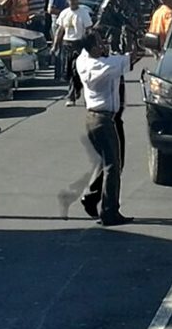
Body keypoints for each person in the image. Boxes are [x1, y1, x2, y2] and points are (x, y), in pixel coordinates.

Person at [58, 29, 135, 226]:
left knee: (106, 161)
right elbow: (129, 59)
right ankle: (109, 212)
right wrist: (135, 42)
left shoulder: (83, 60)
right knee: (113, 166)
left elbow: (98, 53)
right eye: (100, 44)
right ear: (92, 48)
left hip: (93, 118)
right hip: (104, 119)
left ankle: (92, 196)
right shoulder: (102, 66)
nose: (104, 46)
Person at [52, 0, 93, 106]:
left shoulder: (83, 13)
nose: (73, 1)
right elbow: (60, 30)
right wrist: (55, 45)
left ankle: (72, 96)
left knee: (77, 70)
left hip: (79, 44)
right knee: (69, 71)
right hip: (67, 44)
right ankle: (76, 89)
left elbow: (89, 29)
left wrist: (92, 44)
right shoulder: (64, 13)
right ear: (67, 1)